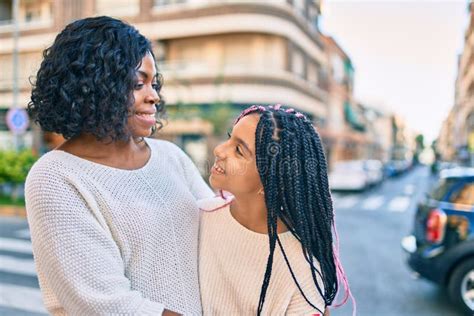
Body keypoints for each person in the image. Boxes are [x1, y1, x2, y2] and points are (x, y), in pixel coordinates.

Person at [25, 16, 212, 315]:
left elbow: (219, 233)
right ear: (94, 87)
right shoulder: (56, 178)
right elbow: (108, 305)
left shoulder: (169, 156)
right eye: (138, 84)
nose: (153, 96)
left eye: (154, 83)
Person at [198, 105, 354, 315]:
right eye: (229, 138)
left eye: (239, 150)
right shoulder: (199, 216)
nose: (219, 150)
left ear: (270, 181)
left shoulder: (301, 271)